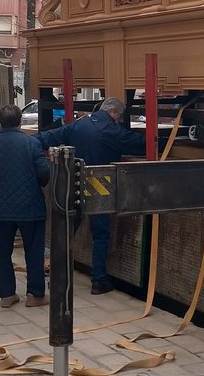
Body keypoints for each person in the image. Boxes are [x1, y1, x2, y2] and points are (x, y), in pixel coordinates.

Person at [38, 96, 147, 294]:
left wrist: (24, 143)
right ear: (113, 112)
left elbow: (48, 137)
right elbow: (142, 144)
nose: (120, 121)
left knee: (67, 232)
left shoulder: (78, 125)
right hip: (98, 187)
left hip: (74, 184)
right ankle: (99, 280)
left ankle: (57, 278)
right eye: (120, 117)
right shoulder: (113, 131)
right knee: (100, 234)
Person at [0, 103, 50, 308]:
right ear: (20, 122)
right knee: (34, 251)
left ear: (0, 121)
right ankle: (35, 295)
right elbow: (44, 174)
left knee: (2, 251)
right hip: (30, 208)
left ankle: (7, 295)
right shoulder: (31, 144)